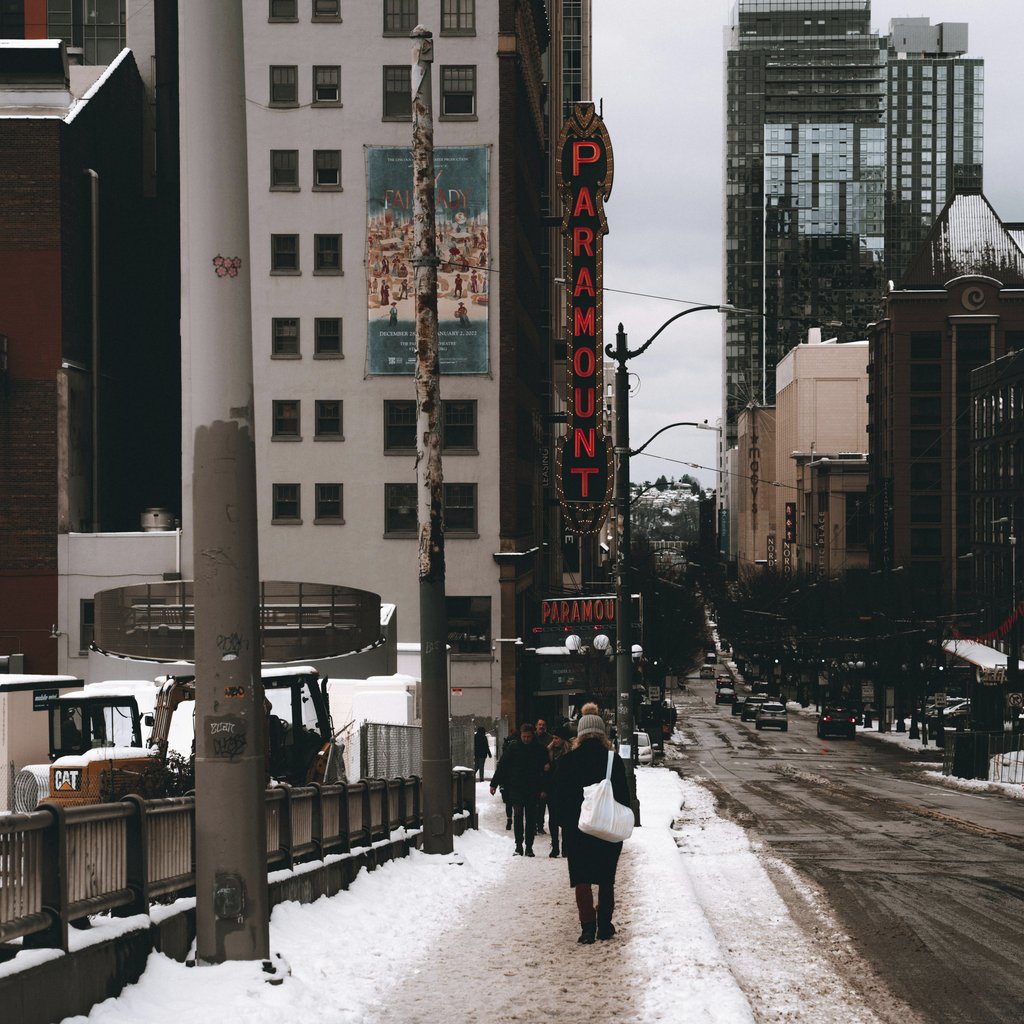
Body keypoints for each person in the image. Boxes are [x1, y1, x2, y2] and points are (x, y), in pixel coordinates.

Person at [555, 704, 629, 943]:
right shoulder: (613, 760)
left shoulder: (567, 761)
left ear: (581, 733)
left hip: (577, 829)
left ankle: (587, 928)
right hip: (607, 827)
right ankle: (605, 926)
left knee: (582, 878)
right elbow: (624, 797)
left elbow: (560, 799)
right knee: (606, 878)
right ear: (602, 733)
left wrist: (562, 825)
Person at [490, 721, 548, 856]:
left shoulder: (539, 749)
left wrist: (544, 788)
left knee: (531, 818)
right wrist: (494, 783)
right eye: (524, 737)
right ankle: (518, 845)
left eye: (528, 737)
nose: (526, 739)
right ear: (520, 735)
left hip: (533, 788)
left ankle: (529, 846)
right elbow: (502, 766)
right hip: (516, 787)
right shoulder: (513, 748)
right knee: (518, 815)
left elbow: (545, 771)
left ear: (532, 735)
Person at [545, 724, 572, 857]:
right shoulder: (548, 752)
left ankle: (565, 845)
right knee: (553, 819)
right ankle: (555, 846)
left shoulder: (570, 753)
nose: (554, 740)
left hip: (566, 791)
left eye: (557, 738)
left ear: (563, 739)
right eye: (553, 738)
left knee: (566, 819)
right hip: (553, 789)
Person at [534, 718, 552, 832]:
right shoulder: (532, 737)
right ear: (536, 726)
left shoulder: (549, 738)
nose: (541, 726)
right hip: (534, 772)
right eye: (539, 724)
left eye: (543, 724)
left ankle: (540, 825)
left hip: (545, 774)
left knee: (542, 802)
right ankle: (534, 825)